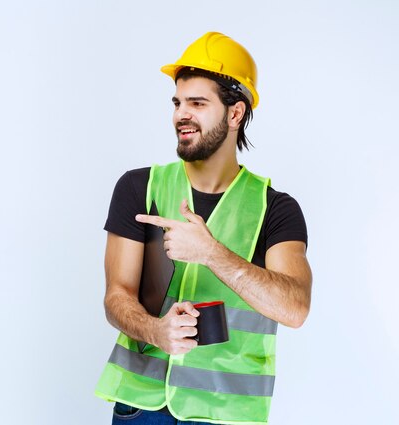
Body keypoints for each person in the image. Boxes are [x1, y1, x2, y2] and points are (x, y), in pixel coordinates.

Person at [95, 32, 312, 425]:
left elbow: (294, 309)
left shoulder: (275, 209)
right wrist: (156, 331)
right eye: (178, 102)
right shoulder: (139, 188)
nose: (182, 114)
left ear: (235, 113)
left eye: (197, 103)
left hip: (226, 415)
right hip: (141, 408)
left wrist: (211, 253)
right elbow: (116, 296)